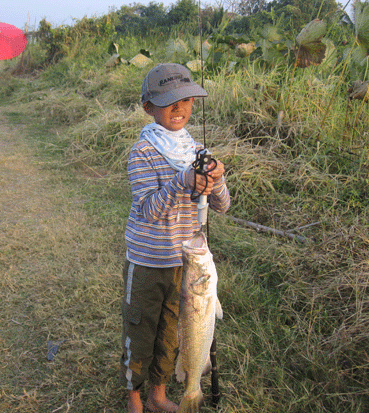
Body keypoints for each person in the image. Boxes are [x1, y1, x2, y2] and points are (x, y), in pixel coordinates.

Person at [120, 63, 231, 413]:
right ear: (148, 108)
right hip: (148, 262)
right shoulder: (142, 153)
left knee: (173, 334)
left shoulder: (197, 150)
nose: (179, 108)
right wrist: (181, 181)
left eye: (186, 100)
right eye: (169, 102)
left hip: (184, 266)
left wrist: (217, 178)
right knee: (141, 331)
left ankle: (159, 394)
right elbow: (149, 210)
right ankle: (135, 398)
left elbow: (223, 206)